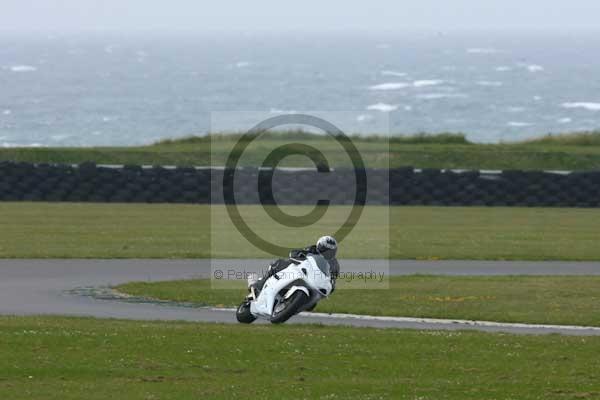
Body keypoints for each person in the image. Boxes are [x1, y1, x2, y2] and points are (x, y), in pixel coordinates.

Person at [248, 235, 340, 296]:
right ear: (319, 247)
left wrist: (331, 285)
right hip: (300, 270)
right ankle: (261, 283)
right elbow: (294, 253)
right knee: (278, 263)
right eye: (325, 250)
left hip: (314, 282)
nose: (327, 253)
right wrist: (299, 256)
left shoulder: (334, 264)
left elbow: (333, 280)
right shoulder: (311, 249)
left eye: (331, 251)